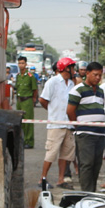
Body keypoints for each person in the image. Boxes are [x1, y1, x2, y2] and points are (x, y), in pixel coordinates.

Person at [67, 61, 105, 192]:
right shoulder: (78, 90)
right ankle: (85, 193)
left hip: (100, 134)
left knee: (96, 165)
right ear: (87, 73)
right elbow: (70, 111)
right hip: (85, 133)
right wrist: (78, 126)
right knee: (86, 164)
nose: (98, 78)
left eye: (100, 75)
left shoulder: (101, 91)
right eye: (95, 75)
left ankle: (92, 192)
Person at [39, 57, 78, 188]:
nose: (74, 70)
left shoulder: (71, 84)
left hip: (68, 124)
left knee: (65, 154)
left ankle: (60, 179)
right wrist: (52, 112)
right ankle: (42, 179)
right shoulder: (53, 82)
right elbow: (43, 100)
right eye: (72, 67)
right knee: (51, 153)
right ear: (66, 68)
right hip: (56, 124)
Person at [14, 55, 39, 149]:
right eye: (19, 63)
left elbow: (35, 90)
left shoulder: (30, 76)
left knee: (28, 122)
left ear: (26, 64)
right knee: (20, 122)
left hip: (27, 100)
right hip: (19, 101)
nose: (21, 65)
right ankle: (22, 141)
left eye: (22, 63)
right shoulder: (18, 76)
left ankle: (29, 141)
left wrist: (33, 100)